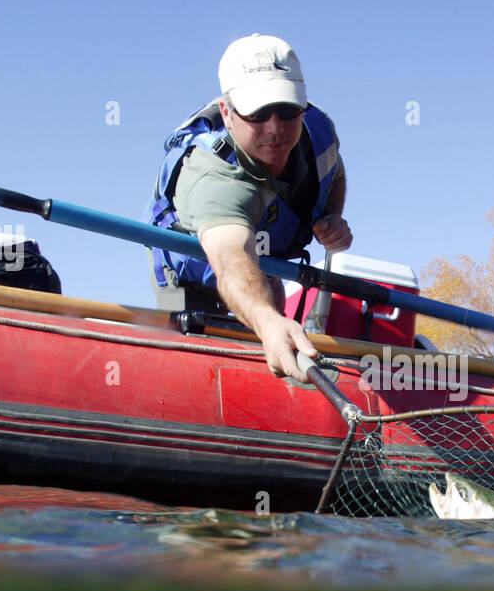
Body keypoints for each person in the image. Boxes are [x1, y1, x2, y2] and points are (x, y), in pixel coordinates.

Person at [144, 34, 352, 381]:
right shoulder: (213, 177)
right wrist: (268, 320)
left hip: (265, 261)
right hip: (198, 279)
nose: (275, 128)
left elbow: (335, 171)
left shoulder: (315, 130)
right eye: (257, 112)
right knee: (200, 373)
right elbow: (231, 260)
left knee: (273, 331)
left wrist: (333, 216)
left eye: (287, 109)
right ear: (227, 113)